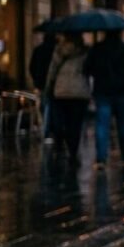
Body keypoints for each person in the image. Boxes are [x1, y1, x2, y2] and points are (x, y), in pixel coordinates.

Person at [84, 30, 124, 167]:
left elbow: (87, 69)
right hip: (123, 92)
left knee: (102, 126)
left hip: (102, 91)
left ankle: (101, 158)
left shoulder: (97, 49)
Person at [44, 33, 91, 164]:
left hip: (61, 91)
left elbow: (52, 71)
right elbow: (90, 70)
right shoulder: (86, 52)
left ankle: (60, 144)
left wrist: (48, 88)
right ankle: (73, 152)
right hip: (80, 92)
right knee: (75, 124)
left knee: (61, 121)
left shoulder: (59, 50)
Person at [29, 29, 57, 139]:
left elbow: (31, 67)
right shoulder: (56, 50)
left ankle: (47, 129)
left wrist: (36, 79)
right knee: (52, 106)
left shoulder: (38, 50)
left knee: (44, 106)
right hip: (53, 83)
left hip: (41, 83)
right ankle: (49, 130)